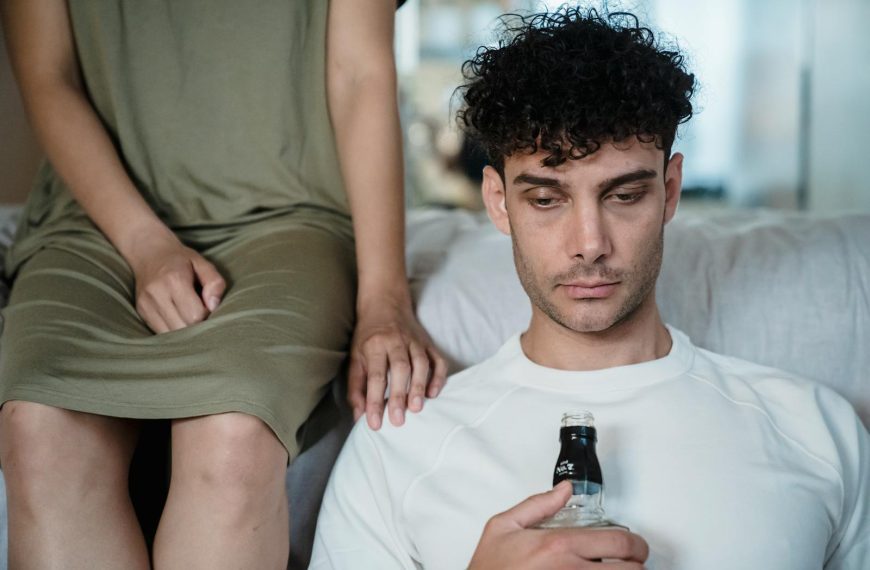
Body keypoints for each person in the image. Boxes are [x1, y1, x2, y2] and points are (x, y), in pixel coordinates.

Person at [310, 7, 869, 569]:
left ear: (670, 191)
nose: (589, 244)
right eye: (547, 200)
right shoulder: (400, 449)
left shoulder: (815, 430)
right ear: (498, 202)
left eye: (624, 196)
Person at [0, 0, 446, 567]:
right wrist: (145, 243)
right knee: (39, 428)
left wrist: (384, 300)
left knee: (234, 431)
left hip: (290, 215)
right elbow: (47, 77)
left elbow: (360, 75)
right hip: (94, 222)